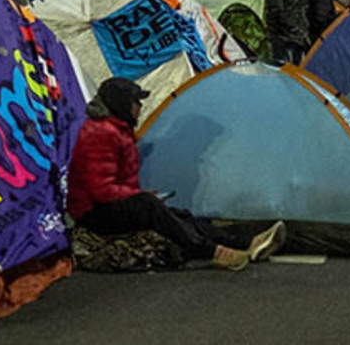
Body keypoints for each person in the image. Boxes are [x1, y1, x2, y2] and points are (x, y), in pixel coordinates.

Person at [68, 77, 284, 270]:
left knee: (181, 216)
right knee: (151, 206)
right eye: (136, 101)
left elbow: (114, 183)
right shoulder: (99, 134)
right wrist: (139, 197)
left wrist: (140, 195)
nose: (140, 106)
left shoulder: (118, 129)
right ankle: (213, 252)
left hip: (111, 205)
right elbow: (101, 190)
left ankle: (248, 243)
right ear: (121, 104)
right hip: (94, 214)